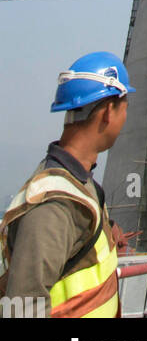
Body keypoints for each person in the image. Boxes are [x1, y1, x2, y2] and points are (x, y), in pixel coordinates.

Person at [0, 52, 135, 319]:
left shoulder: (83, 187)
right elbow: (21, 308)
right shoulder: (54, 206)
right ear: (109, 112)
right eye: (125, 108)